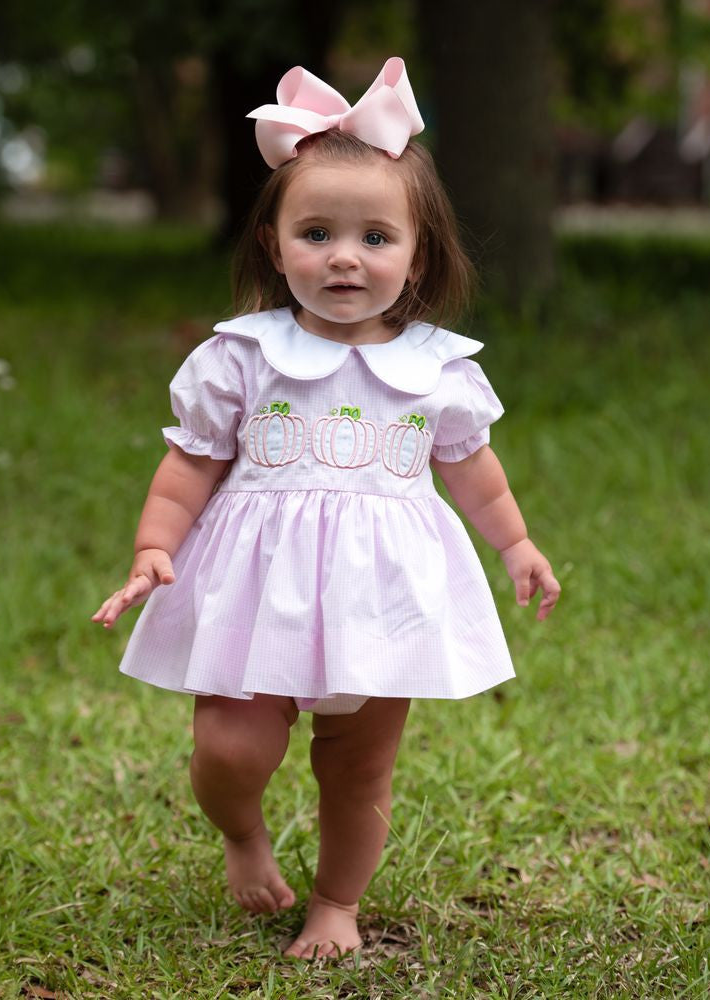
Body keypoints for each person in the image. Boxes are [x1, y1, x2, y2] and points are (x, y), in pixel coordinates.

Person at [92, 57, 560, 959]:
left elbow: (474, 470)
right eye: (316, 232)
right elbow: (188, 465)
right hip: (254, 590)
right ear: (274, 244)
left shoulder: (437, 368)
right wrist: (156, 546)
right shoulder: (241, 357)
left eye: (376, 238)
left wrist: (517, 544)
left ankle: (337, 902)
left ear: (418, 253)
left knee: (358, 766)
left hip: (378, 597)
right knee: (230, 748)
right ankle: (241, 830)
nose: (345, 256)